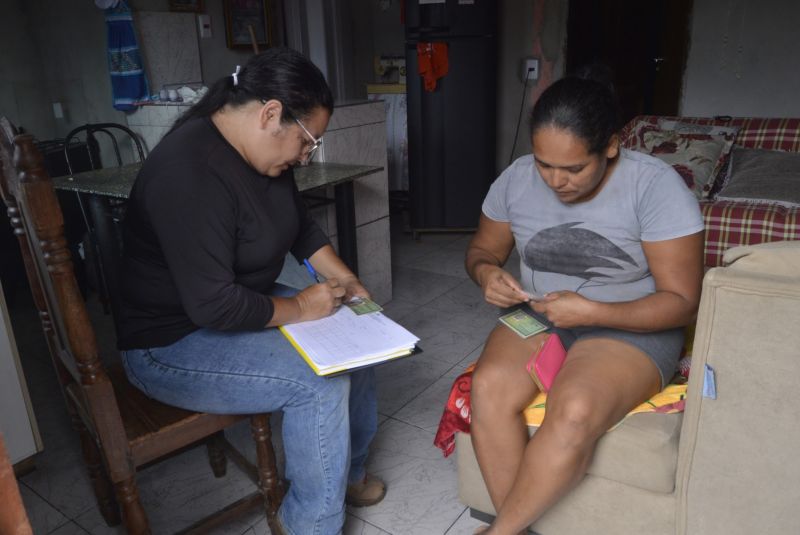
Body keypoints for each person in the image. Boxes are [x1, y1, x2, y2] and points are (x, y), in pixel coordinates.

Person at [116, 47, 385, 535]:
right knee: (319, 384)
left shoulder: (263, 159)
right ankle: (310, 526)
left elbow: (300, 228)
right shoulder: (189, 172)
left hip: (239, 303)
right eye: (308, 142)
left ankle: (347, 473)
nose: (306, 156)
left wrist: (345, 280)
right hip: (170, 341)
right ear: (270, 114)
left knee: (358, 346)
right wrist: (300, 305)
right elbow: (213, 305)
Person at [465, 68, 704, 534]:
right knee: (488, 386)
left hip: (631, 325)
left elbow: (682, 301)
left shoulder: (655, 187)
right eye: (544, 164)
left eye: (574, 169)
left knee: (574, 409)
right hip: (541, 315)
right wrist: (486, 272)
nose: (556, 181)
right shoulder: (515, 179)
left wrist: (593, 311)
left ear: (610, 146)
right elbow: (482, 250)